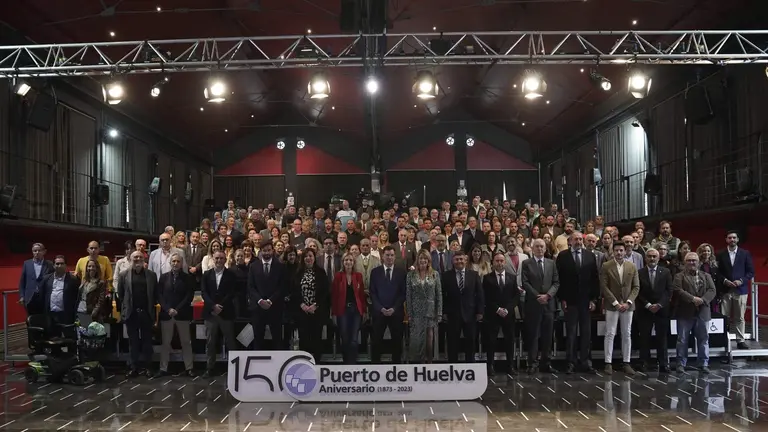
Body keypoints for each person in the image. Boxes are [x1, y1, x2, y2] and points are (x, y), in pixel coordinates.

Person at [555, 231, 599, 374]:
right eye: (576, 239)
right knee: (571, 333)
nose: (579, 242)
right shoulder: (562, 256)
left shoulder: (590, 255)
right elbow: (559, 280)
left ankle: (586, 362)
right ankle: (571, 362)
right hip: (570, 301)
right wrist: (562, 299)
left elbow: (594, 279)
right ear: (570, 241)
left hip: (586, 301)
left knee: (586, 333)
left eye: (581, 239)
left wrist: (593, 299)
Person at [673, 252, 716, 374]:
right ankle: (681, 364)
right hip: (685, 312)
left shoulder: (706, 275)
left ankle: (703, 363)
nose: (692, 262)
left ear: (699, 262)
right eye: (689, 260)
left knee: (704, 339)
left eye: (694, 260)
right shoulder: (679, 276)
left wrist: (702, 300)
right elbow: (677, 290)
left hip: (703, 312)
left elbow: (712, 290)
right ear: (685, 262)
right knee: (682, 339)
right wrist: (692, 299)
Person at [600, 241, 639, 376]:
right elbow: (604, 287)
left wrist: (628, 302)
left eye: (621, 250)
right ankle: (608, 363)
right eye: (616, 250)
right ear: (613, 252)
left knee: (626, 333)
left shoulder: (632, 266)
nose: (619, 253)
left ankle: (626, 362)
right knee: (610, 333)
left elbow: (636, 287)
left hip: (628, 305)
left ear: (625, 251)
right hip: (612, 305)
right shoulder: (606, 266)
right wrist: (616, 303)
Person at [521, 239, 559, 374]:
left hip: (549, 305)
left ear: (545, 248)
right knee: (533, 336)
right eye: (537, 246)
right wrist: (538, 296)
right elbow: (525, 283)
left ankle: (546, 363)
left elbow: (556, 283)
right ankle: (532, 363)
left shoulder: (551, 263)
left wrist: (548, 296)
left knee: (548, 336)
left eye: (542, 246)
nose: (540, 249)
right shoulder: (526, 263)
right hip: (533, 304)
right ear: (532, 248)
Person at [155, 252, 195, 378]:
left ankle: (189, 368)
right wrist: (168, 309)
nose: (175, 263)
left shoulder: (188, 278)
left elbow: (189, 296)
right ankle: (163, 368)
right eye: (173, 261)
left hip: (182, 314)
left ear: (181, 263)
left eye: (178, 261)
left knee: (186, 342)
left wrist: (177, 309)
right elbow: (159, 295)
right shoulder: (163, 277)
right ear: (169, 263)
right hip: (167, 314)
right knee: (166, 343)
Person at [117, 251, 157, 377]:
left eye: (140, 257)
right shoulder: (123, 275)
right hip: (131, 313)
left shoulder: (151, 275)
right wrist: (123, 312)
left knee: (147, 342)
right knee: (133, 342)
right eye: (135, 257)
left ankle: (148, 367)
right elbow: (120, 294)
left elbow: (154, 293)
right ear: (131, 259)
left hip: (146, 313)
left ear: (144, 259)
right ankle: (133, 367)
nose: (138, 259)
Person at [442, 251, 484, 363]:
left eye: (461, 259)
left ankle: (470, 366)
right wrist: (444, 312)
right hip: (452, 314)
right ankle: (452, 367)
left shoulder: (474, 275)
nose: (459, 261)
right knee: (452, 342)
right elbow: (442, 295)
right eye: (456, 259)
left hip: (470, 314)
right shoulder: (446, 276)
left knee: (470, 341)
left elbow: (480, 294)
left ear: (465, 260)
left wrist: (480, 311)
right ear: (452, 261)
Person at [201, 250, 238, 377]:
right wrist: (213, 306)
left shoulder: (231, 275)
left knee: (230, 341)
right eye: (217, 258)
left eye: (222, 258)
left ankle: (233, 368)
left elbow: (232, 292)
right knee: (210, 342)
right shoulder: (206, 274)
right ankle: (210, 367)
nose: (219, 261)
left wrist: (220, 306)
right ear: (213, 259)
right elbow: (204, 292)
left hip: (226, 312)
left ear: (225, 260)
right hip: (210, 313)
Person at [716, 231, 754, 350]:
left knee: (739, 317)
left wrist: (741, 281)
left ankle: (740, 340)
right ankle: (722, 339)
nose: (732, 240)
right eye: (729, 238)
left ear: (737, 239)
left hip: (740, 289)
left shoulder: (745, 253)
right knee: (724, 317)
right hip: (725, 289)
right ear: (726, 240)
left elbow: (751, 272)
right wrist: (724, 280)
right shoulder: (720, 254)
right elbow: (717, 272)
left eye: (734, 238)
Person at [636, 248, 673, 373]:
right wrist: (647, 305)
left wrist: (659, 305)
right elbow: (638, 291)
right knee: (644, 337)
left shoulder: (666, 272)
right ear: (645, 258)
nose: (652, 259)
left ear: (658, 258)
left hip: (661, 310)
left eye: (654, 256)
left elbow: (669, 291)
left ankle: (663, 364)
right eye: (649, 256)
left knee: (662, 337)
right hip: (644, 309)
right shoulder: (639, 272)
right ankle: (643, 363)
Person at [483, 252, 519, 374]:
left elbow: (515, 296)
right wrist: (497, 309)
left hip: (508, 314)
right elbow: (486, 297)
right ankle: (490, 366)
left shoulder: (512, 277)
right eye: (497, 261)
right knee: (491, 341)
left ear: (505, 262)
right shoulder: (487, 278)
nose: (499, 263)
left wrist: (507, 309)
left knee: (509, 340)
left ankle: (510, 366)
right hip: (493, 314)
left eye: (501, 261)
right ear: (493, 262)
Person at [369, 246, 407, 364]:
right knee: (376, 341)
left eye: (391, 255)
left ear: (395, 257)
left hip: (396, 312)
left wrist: (394, 308)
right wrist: (381, 308)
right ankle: (375, 368)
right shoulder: (375, 272)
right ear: (382, 256)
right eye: (387, 255)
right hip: (379, 312)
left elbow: (403, 293)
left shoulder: (401, 272)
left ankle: (397, 368)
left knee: (397, 341)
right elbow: (372, 293)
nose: (389, 257)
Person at [248, 241, 287, 350]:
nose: (267, 253)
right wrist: (260, 300)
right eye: (264, 250)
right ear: (260, 252)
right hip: (258, 308)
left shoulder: (280, 266)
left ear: (273, 251)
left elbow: (282, 287)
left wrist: (270, 301)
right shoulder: (253, 266)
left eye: (269, 250)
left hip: (275, 307)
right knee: (258, 338)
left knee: (277, 339)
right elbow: (251, 287)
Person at [406, 249, 443, 363]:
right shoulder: (410, 275)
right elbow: (408, 295)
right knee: (417, 338)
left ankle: (430, 362)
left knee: (429, 338)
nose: (423, 260)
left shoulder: (434, 274)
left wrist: (439, 312)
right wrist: (409, 313)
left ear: (429, 260)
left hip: (430, 311)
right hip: (416, 311)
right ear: (417, 260)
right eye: (421, 258)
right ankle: (418, 362)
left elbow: (439, 294)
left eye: (425, 258)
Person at [293, 249, 330, 362]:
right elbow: (294, 291)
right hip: (302, 312)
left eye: (310, 256)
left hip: (316, 311)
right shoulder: (298, 273)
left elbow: (325, 292)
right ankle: (304, 362)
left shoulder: (321, 272)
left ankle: (316, 363)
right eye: (306, 256)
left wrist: (315, 305)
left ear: (314, 258)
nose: (308, 258)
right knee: (304, 338)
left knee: (316, 339)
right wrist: (302, 305)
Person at [332, 253, 366, 364]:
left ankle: (352, 364)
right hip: (342, 311)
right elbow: (334, 295)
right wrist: (333, 313)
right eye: (346, 260)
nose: (348, 262)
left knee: (354, 339)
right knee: (345, 338)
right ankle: (345, 363)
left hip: (356, 310)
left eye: (351, 260)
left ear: (354, 262)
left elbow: (361, 295)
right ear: (343, 262)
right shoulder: (338, 276)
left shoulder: (358, 276)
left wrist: (364, 311)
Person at [39, 255, 79, 338]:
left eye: (62, 263)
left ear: (65, 265)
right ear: (53, 265)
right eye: (57, 264)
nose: (59, 266)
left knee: (70, 339)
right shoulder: (46, 279)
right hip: (51, 314)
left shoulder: (73, 280)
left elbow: (76, 297)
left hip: (66, 315)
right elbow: (41, 296)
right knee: (53, 339)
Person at [18, 243, 54, 315]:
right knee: (30, 319)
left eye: (39, 250)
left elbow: (53, 280)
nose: (37, 253)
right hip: (30, 298)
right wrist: (22, 296)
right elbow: (22, 281)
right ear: (32, 252)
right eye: (35, 251)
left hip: (44, 297)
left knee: (44, 319)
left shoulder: (49, 264)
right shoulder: (27, 264)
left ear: (44, 252)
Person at [75, 257, 107, 327]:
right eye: (89, 266)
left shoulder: (101, 283)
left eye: (93, 266)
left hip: (92, 313)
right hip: (80, 310)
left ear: (97, 268)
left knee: (92, 334)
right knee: (82, 333)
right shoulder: (84, 281)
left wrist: (94, 312)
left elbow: (101, 300)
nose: (91, 268)